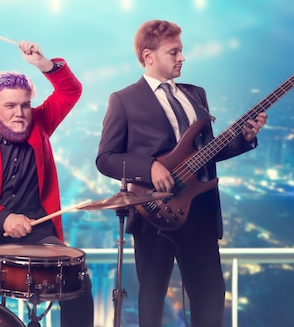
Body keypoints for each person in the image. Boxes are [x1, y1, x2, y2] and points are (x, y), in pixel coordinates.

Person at [96, 19, 267, 326]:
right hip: (153, 214)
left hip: (200, 212)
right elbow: (106, 159)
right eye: (173, 52)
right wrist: (149, 167)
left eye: (181, 51)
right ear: (149, 56)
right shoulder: (123, 99)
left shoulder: (196, 95)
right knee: (152, 303)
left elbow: (208, 154)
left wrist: (246, 138)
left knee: (211, 296)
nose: (182, 58)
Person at [0, 40, 94, 326]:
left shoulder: (39, 122)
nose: (19, 113)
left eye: (25, 105)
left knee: (79, 286)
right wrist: (4, 219)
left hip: (38, 231)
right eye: (10, 105)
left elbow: (71, 91)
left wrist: (43, 64)